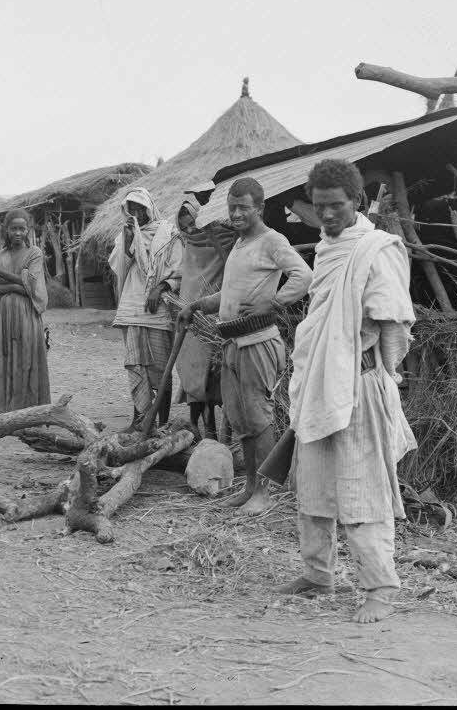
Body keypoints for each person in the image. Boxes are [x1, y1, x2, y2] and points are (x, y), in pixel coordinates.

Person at [272, 159, 418, 624]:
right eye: (320, 206)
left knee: (362, 490)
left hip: (359, 386)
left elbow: (394, 324)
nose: (328, 214)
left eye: (336, 205)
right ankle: (318, 575)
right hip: (319, 383)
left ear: (357, 201)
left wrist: (379, 372)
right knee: (313, 486)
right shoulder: (327, 249)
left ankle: (380, 588)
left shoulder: (377, 250)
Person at [179, 177, 312, 514]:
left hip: (258, 342)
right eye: (232, 208)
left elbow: (304, 276)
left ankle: (264, 494)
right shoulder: (241, 244)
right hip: (233, 341)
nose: (236, 214)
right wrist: (198, 305)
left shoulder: (272, 240)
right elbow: (230, 295)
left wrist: (274, 302)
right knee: (242, 421)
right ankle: (251, 486)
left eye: (243, 208)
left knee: (259, 419)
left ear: (260, 208)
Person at [108, 187, 183, 432]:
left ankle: (162, 423)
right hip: (132, 306)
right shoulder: (124, 235)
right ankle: (139, 420)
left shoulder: (168, 233)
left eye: (141, 208)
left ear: (150, 208)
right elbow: (120, 266)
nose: (137, 214)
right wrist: (130, 240)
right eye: (132, 209)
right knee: (136, 364)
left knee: (161, 367)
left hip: (157, 308)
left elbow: (178, 269)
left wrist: (160, 287)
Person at [172, 195, 237, 440]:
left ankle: (215, 427)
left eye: (192, 223)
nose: (190, 230)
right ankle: (196, 423)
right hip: (190, 317)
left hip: (213, 315)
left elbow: (230, 274)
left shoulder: (222, 238)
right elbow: (187, 279)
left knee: (215, 372)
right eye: (185, 227)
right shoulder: (188, 244)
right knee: (192, 369)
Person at [0, 209, 52, 416]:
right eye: (13, 228)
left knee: (27, 360)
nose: (17, 233)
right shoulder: (1, 255)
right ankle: (4, 413)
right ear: (6, 230)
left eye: (22, 229)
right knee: (4, 360)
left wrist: (2, 275)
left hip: (27, 316)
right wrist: (18, 285)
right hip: (4, 318)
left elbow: (33, 288)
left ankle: (28, 414)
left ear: (28, 230)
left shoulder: (34, 253)